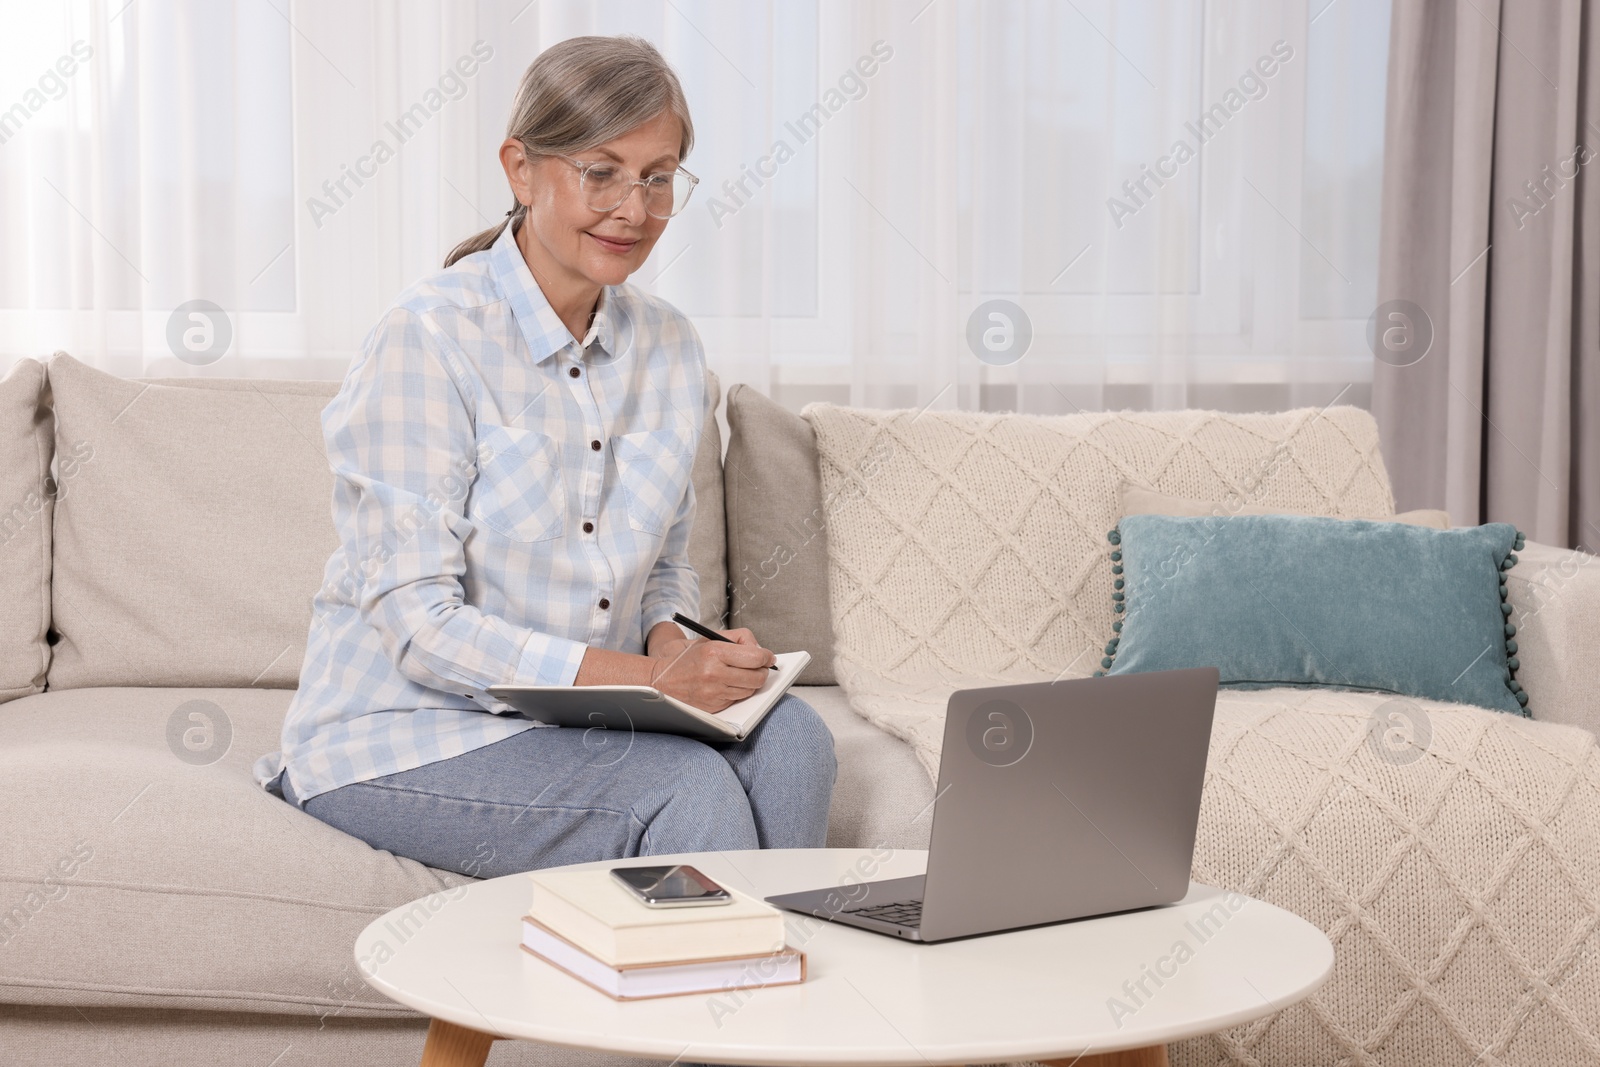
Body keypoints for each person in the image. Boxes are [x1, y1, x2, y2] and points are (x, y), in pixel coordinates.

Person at [252, 34, 837, 881]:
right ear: (520, 169)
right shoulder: (426, 339)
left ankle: (768, 996)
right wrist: (651, 678)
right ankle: (713, 1002)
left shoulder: (670, 348)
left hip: (581, 722)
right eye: (601, 171)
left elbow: (663, 565)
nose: (633, 208)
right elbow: (421, 629)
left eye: (659, 176)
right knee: (684, 789)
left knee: (796, 745)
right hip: (397, 733)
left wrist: (674, 642)